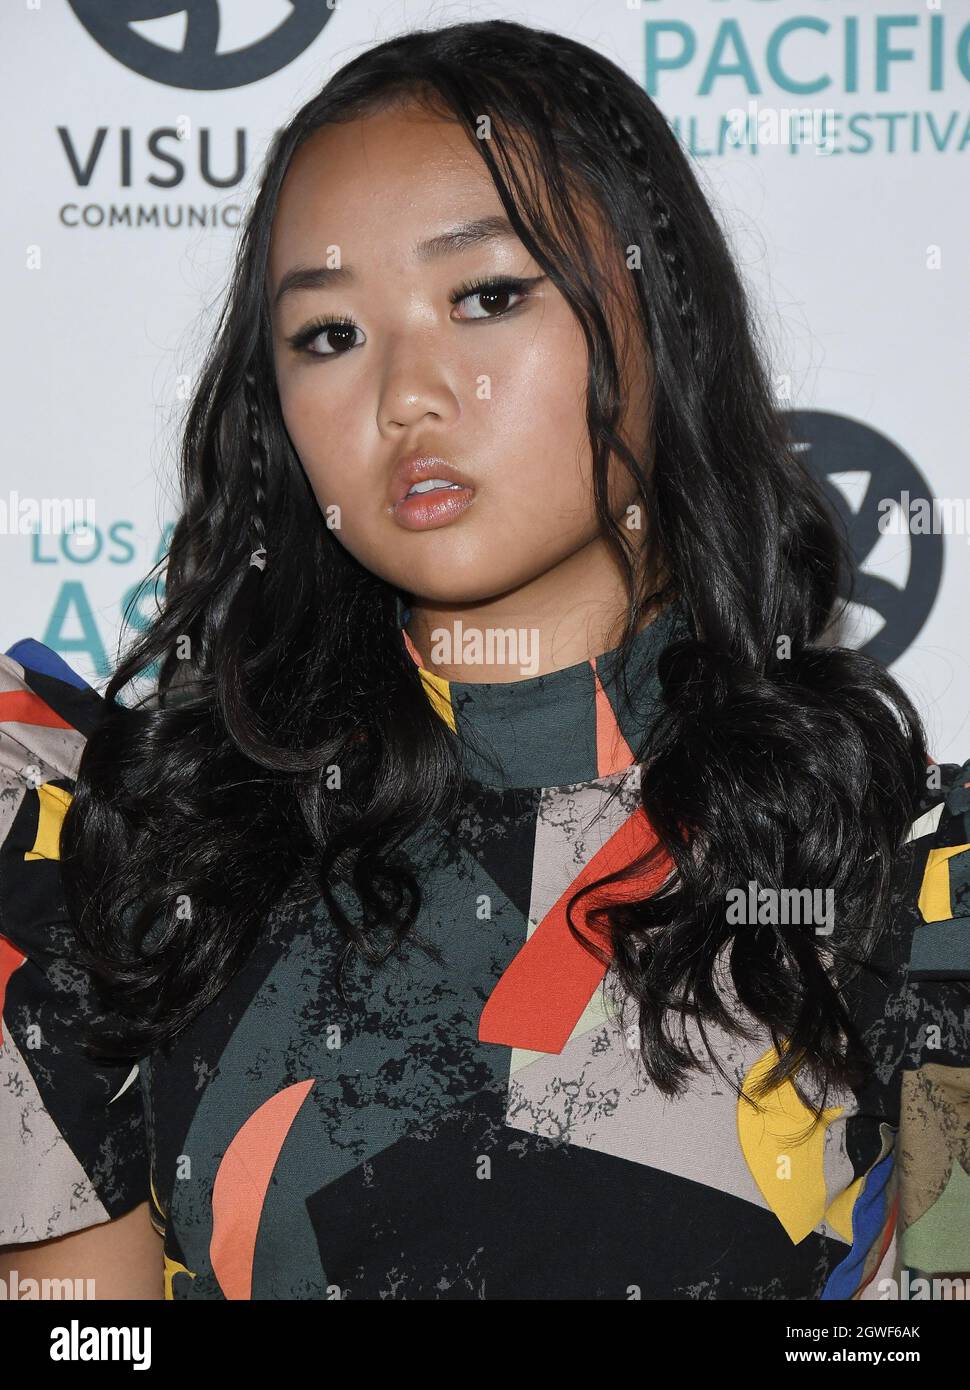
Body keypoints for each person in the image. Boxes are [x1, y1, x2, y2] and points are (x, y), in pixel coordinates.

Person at [1, 18, 968, 1302]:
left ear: (662, 320)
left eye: (487, 296)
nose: (407, 392)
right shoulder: (118, 848)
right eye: (328, 334)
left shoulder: (910, 878)